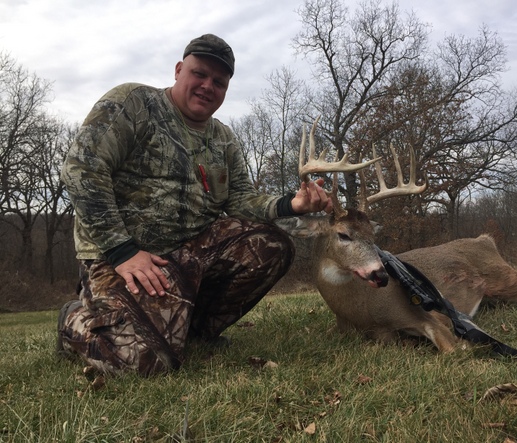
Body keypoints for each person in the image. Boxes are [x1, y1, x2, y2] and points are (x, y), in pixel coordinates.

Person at [57, 34, 332, 376]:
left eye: (219, 82)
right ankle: (72, 320)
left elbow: (241, 201)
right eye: (199, 74)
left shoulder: (223, 139)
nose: (207, 86)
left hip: (190, 256)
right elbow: (81, 169)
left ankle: (195, 332)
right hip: (120, 259)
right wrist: (122, 251)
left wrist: (292, 203)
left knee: (272, 245)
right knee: (142, 363)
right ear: (178, 70)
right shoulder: (133, 103)